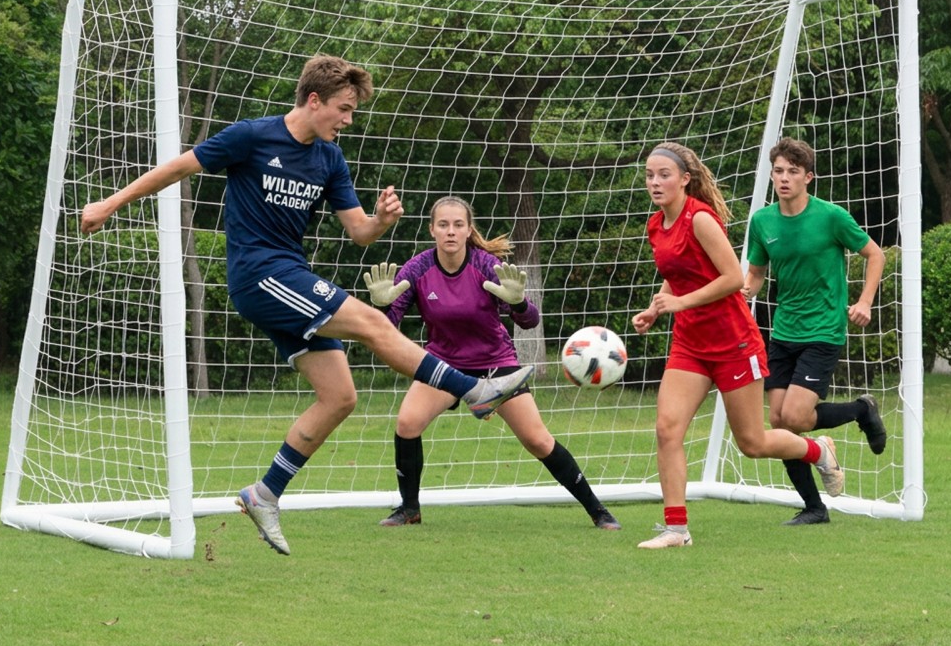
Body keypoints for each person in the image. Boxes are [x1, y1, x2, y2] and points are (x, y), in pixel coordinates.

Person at [80, 54, 533, 556]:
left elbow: (359, 232)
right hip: (260, 275)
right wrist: (109, 204)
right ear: (313, 100)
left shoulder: (329, 159)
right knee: (369, 321)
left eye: (353, 111)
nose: (348, 120)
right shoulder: (252, 136)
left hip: (289, 277)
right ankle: (473, 390)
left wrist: (382, 220)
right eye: (343, 109)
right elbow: (177, 168)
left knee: (340, 396)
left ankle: (264, 493)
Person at [631, 141, 844, 549]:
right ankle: (676, 529)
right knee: (667, 429)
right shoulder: (656, 224)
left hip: (733, 343)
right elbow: (677, 274)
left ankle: (817, 450)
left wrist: (679, 302)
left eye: (664, 175)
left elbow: (733, 278)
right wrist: (656, 309)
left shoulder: (701, 219)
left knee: (753, 443)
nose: (655, 183)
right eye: (649, 176)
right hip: (690, 345)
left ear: (685, 180)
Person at [363, 196, 621, 531]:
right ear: (432, 230)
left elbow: (529, 321)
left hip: (495, 365)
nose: (451, 231)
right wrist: (382, 307)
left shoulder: (486, 265)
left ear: (469, 229)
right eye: (443, 225)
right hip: (443, 365)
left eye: (458, 224)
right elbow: (388, 327)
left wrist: (518, 303)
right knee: (407, 424)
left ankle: (598, 511)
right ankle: (409, 509)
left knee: (538, 441)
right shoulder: (418, 268)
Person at [743, 136, 887, 526]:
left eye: (792, 171)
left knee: (796, 415)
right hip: (784, 331)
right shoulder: (763, 220)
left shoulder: (831, 217)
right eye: (778, 171)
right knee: (778, 422)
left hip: (823, 329)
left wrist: (864, 302)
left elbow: (876, 254)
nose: (784, 178)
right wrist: (742, 294)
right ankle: (814, 508)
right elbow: (756, 273)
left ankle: (862, 410)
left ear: (809, 177)